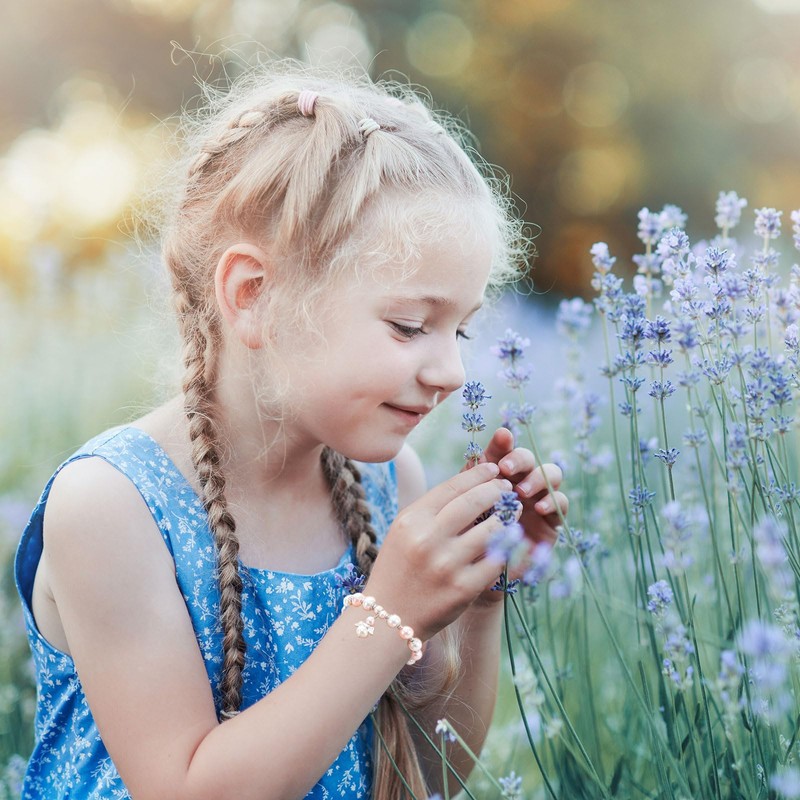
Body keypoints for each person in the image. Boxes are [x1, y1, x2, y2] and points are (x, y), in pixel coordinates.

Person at [15, 61, 567, 799]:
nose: (451, 373)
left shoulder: (384, 485)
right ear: (254, 296)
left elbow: (423, 779)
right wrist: (389, 610)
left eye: (460, 331)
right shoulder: (112, 506)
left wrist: (478, 598)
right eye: (410, 325)